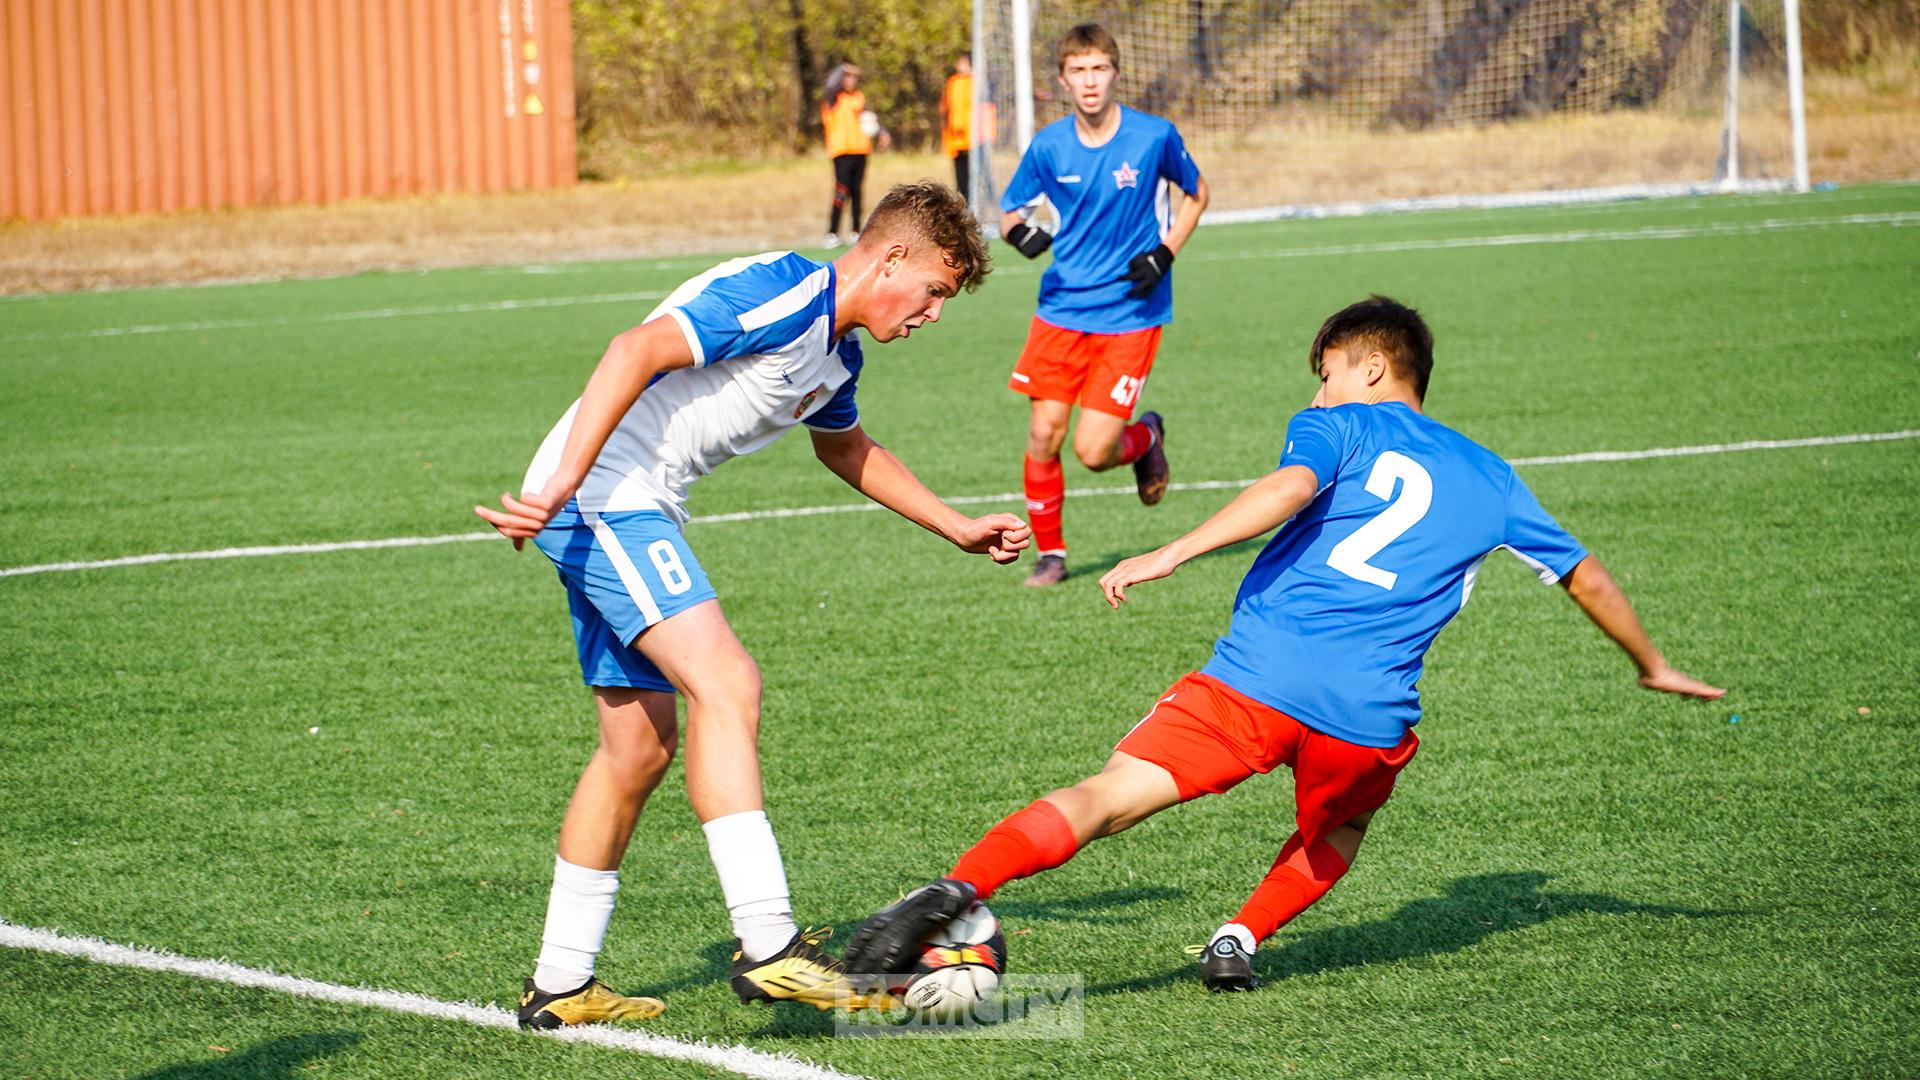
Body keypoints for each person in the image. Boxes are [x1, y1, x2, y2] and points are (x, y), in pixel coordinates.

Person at [844, 296, 1725, 991]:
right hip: (1366, 718)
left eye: (1326, 373)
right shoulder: (1494, 477)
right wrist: (1650, 665)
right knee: (1341, 829)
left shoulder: (1336, 427)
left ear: (1373, 367)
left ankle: (958, 888)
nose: (1315, 392)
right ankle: (1240, 935)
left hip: (1254, 682)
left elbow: (1289, 488)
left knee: (1107, 794)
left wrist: (1174, 549)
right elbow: (1589, 579)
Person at [475, 182, 1028, 1028]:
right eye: (935, 292)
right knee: (728, 683)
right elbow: (633, 350)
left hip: (623, 503)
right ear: (890, 259)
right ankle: (768, 942)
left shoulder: (837, 354)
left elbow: (844, 446)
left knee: (636, 751)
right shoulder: (783, 293)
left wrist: (955, 527)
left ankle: (559, 985)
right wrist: (559, 487)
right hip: (605, 497)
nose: (933, 315)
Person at [997, 23, 1209, 588]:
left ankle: (1147, 438)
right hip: (1061, 310)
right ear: (1063, 80)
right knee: (1044, 435)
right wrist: (1020, 235)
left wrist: (1165, 252)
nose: (1089, 82)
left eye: (1099, 69)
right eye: (1078, 71)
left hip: (1131, 313)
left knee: (1093, 452)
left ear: (1115, 73)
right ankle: (1052, 556)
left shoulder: (1153, 136)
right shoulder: (1048, 146)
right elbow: (1009, 213)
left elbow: (1197, 193)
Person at [821, 64, 889, 249]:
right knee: (842, 191)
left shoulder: (859, 97)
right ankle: (832, 232)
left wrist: (882, 132)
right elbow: (830, 82)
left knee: (857, 191)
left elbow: (871, 117)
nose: (851, 80)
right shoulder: (833, 98)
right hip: (841, 151)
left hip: (860, 150)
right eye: (847, 77)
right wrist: (843, 68)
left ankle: (856, 231)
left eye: (853, 77)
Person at [942, 54, 975, 197]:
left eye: (962, 62)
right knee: (961, 179)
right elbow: (945, 110)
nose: (959, 65)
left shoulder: (977, 82)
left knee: (976, 176)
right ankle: (963, 208)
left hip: (974, 140)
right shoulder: (953, 82)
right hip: (957, 140)